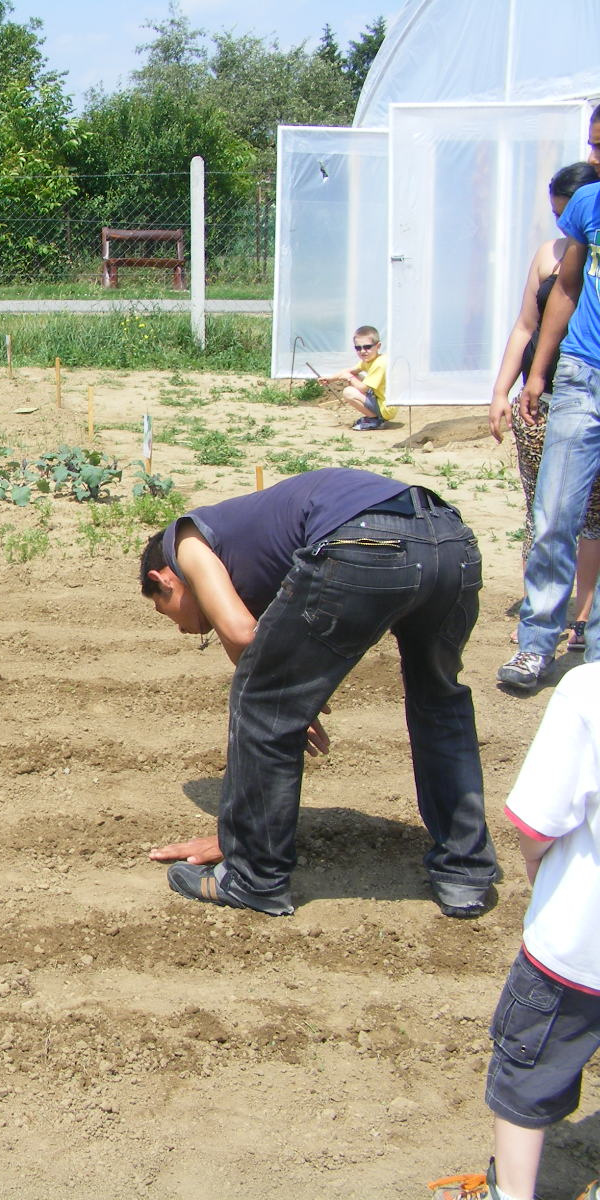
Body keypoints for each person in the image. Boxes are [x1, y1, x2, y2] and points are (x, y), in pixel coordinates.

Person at [140, 467, 499, 918]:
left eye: (166, 610)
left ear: (164, 578)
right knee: (439, 703)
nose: (181, 627)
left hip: (364, 542)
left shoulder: (186, 540)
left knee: (258, 703)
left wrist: (285, 701)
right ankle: (465, 872)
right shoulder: (251, 546)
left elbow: (241, 632)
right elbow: (268, 645)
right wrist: (290, 692)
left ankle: (253, 875)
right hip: (450, 539)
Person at [432, 665, 600, 1200]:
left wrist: (535, 865)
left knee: (528, 1072)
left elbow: (535, 824)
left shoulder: (587, 690)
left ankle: (512, 1192)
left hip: (577, 941)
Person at [500, 106, 600, 691]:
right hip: (583, 376)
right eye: (592, 145)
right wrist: (538, 373)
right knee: (553, 515)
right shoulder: (588, 205)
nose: (595, 158)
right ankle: (537, 646)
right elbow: (564, 288)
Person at [319, 325, 393, 431]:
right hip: (381, 400)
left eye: (367, 347)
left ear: (378, 346)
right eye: (358, 348)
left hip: (386, 408)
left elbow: (363, 388)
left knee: (348, 392)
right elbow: (349, 371)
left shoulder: (379, 364)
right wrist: (331, 379)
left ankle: (374, 419)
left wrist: (349, 378)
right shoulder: (370, 360)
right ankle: (374, 416)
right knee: (356, 375)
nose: (363, 351)